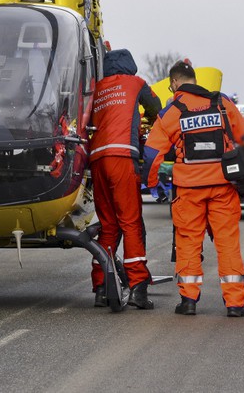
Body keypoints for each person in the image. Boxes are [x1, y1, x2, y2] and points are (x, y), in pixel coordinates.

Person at [142, 60, 244, 317]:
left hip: (188, 190)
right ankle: (234, 304)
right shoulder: (221, 104)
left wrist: (152, 184)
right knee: (227, 243)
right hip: (223, 186)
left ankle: (188, 301)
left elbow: (151, 153)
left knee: (189, 242)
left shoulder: (172, 112)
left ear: (175, 83)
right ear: (195, 81)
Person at [89, 49, 161, 310]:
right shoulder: (136, 84)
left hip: (97, 160)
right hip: (122, 156)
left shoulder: (96, 89)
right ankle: (138, 288)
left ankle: (101, 287)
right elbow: (157, 108)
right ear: (130, 66)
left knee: (108, 226)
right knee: (130, 222)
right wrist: (147, 124)